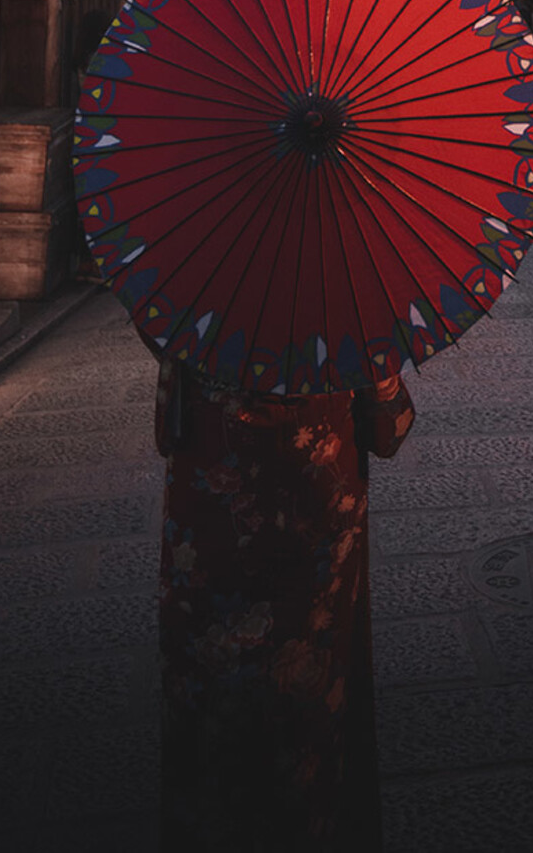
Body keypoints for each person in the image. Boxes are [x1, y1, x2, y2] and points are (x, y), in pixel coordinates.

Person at [154, 353, 414, 849]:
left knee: (209, 677)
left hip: (211, 509)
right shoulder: (344, 295)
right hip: (312, 502)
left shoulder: (194, 299)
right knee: (308, 684)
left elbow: (168, 419)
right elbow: (389, 429)